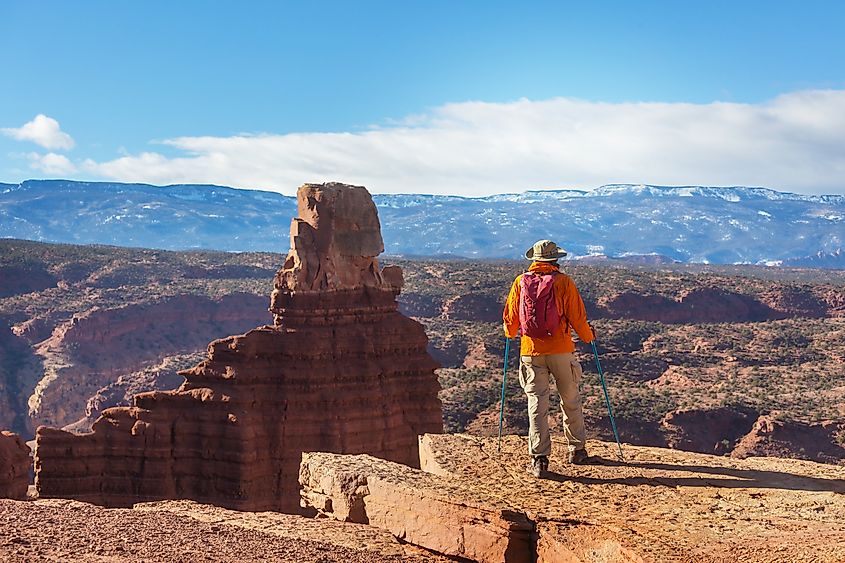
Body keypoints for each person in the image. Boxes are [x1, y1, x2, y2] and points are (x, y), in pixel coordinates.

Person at [502, 239, 595, 477]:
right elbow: (577, 316)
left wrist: (511, 333)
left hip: (531, 352)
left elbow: (510, 322)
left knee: (537, 404)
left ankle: (539, 458)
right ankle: (577, 450)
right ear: (556, 260)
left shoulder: (520, 282)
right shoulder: (564, 282)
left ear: (534, 259)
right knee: (570, 398)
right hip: (562, 350)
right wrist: (588, 337)